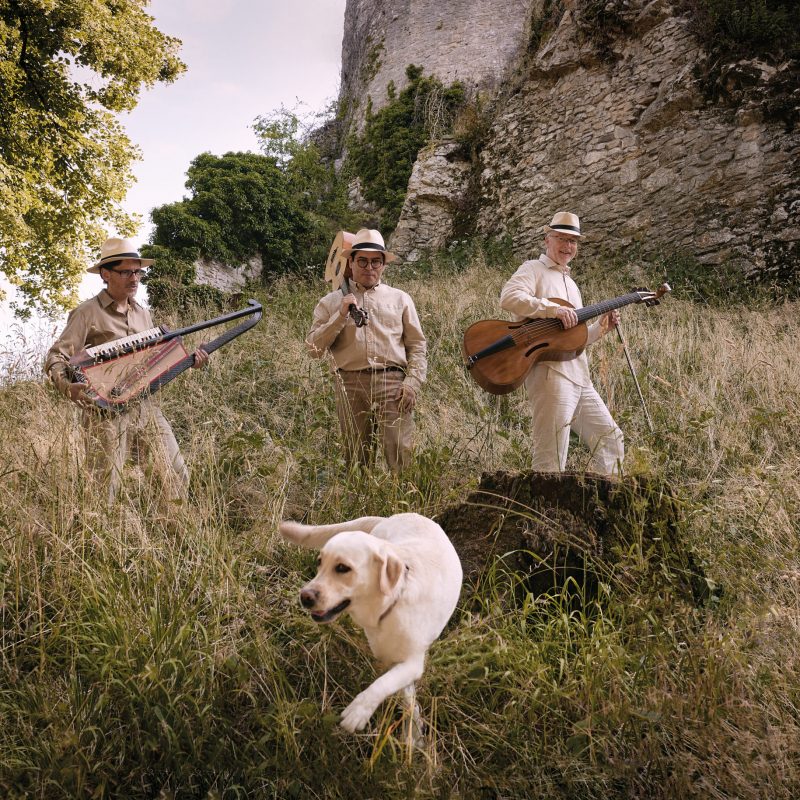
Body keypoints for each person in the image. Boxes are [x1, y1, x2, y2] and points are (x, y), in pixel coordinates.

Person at [44, 237, 209, 507]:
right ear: (106, 275)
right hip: (104, 415)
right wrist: (66, 385)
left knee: (175, 474)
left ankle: (171, 532)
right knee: (104, 491)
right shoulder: (87, 313)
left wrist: (191, 360)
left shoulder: (143, 314)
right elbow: (56, 356)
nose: (135, 278)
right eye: (127, 272)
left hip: (145, 407)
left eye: (138, 271)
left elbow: (152, 360)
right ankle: (95, 543)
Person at [499, 212, 624, 476]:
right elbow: (509, 298)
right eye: (562, 239)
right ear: (547, 240)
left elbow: (572, 340)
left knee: (610, 439)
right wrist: (551, 309)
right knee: (551, 458)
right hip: (550, 375)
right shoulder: (533, 268)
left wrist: (602, 329)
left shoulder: (572, 284)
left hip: (580, 377)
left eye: (573, 241)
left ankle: (603, 505)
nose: (568, 247)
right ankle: (543, 517)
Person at [306, 228, 427, 472]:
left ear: (383, 265)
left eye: (376, 261)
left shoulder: (401, 299)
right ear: (350, 262)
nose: (369, 267)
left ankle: (402, 502)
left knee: (400, 455)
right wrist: (340, 315)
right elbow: (313, 349)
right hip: (349, 384)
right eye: (362, 260)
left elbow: (417, 344)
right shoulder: (330, 302)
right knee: (355, 456)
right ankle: (361, 505)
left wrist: (413, 382)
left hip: (393, 384)